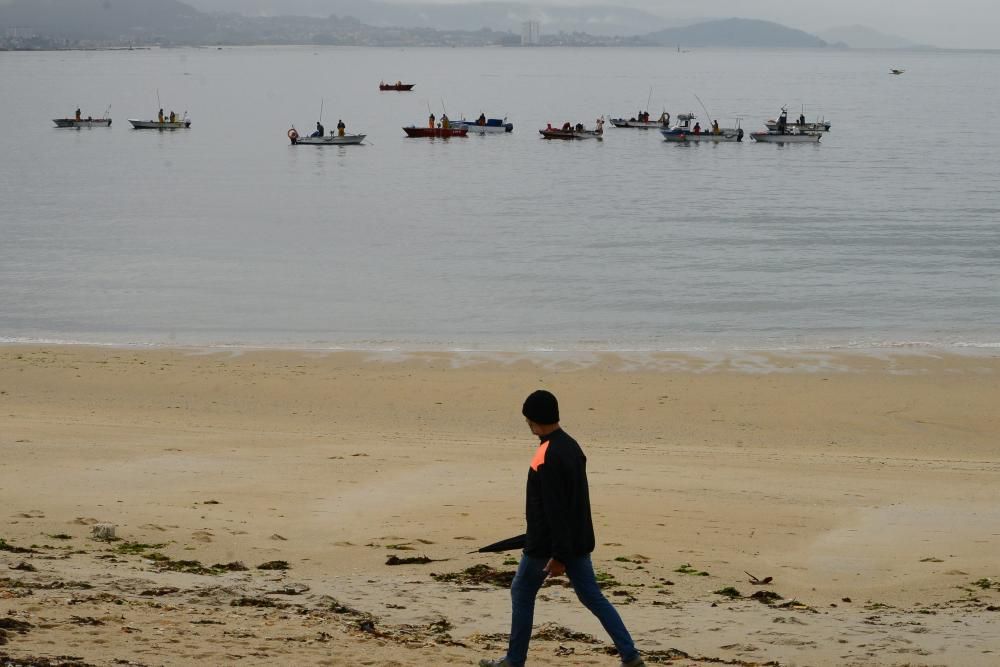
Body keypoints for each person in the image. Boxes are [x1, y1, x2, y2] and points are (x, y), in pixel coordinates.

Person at [479, 390, 644, 667]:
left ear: (533, 420)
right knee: (592, 596)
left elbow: (555, 510)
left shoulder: (547, 454)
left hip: (549, 545)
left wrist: (559, 556)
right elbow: (573, 504)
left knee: (521, 590)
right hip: (576, 540)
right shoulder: (571, 445)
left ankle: (514, 660)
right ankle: (630, 655)